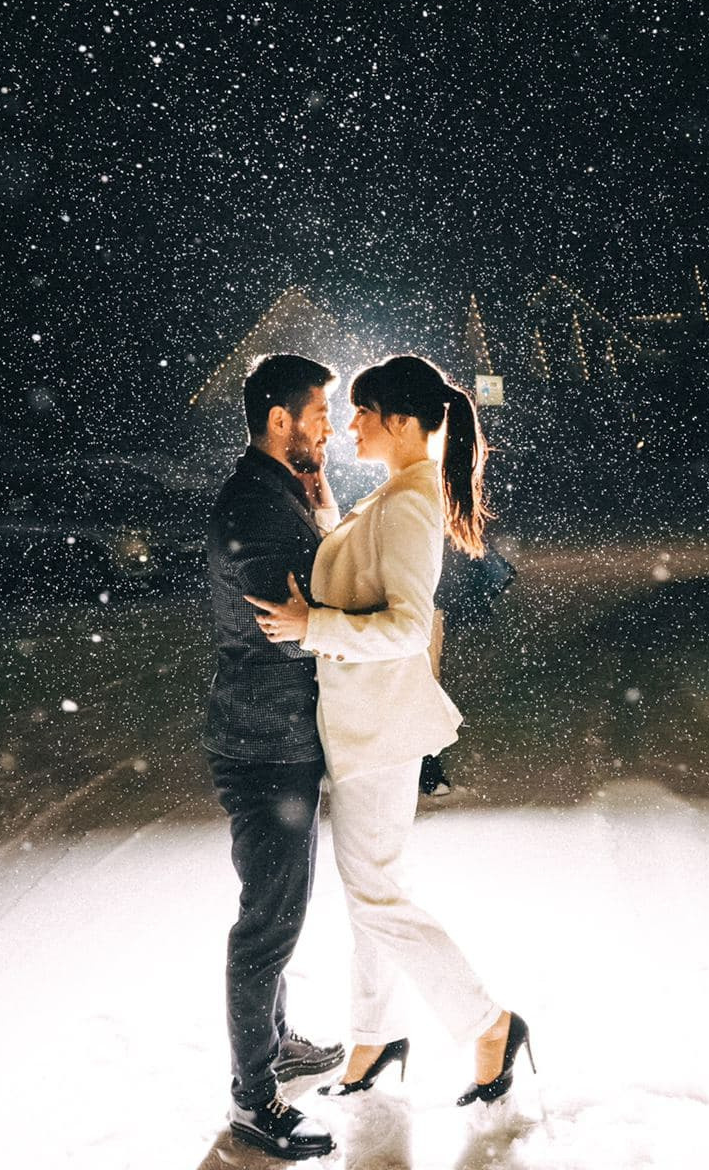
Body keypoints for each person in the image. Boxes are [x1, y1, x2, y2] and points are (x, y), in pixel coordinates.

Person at [246, 355, 534, 1109]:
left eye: (363, 413)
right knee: (373, 890)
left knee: (375, 895)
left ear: (401, 423)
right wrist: (323, 507)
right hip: (366, 727)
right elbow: (357, 565)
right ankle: (375, 1036)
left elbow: (408, 626)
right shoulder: (396, 493)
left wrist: (313, 627)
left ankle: (488, 1024)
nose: (350, 426)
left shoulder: (409, 503)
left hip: (378, 730)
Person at [204, 354, 344, 1161]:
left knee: (278, 912)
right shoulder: (257, 507)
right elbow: (283, 622)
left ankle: (278, 1043)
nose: (329, 427)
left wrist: (320, 501)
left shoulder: (273, 490)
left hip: (273, 736)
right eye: (320, 413)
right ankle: (254, 1101)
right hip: (265, 745)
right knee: (268, 926)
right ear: (281, 419)